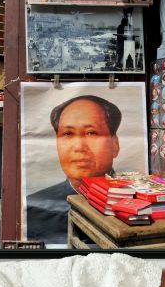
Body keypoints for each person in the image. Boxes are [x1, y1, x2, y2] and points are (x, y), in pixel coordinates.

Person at [24, 94, 122, 247]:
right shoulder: (32, 208)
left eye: (91, 133)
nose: (79, 147)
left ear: (114, 144)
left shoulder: (135, 200)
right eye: (67, 134)